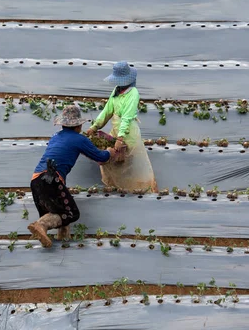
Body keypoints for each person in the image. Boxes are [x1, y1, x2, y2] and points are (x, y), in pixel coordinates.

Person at [28, 105, 116, 248]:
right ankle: (40, 225)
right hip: (51, 180)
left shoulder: (55, 137)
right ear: (79, 125)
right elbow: (100, 156)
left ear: (62, 124)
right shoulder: (79, 139)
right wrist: (111, 152)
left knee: (58, 215)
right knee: (71, 214)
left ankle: (63, 243)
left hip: (36, 180)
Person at [87, 61, 158, 193]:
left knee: (131, 165)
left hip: (129, 134)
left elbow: (127, 117)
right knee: (114, 160)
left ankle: (140, 191)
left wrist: (120, 138)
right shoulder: (116, 91)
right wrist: (95, 126)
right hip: (116, 132)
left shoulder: (133, 93)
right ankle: (119, 189)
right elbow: (107, 111)